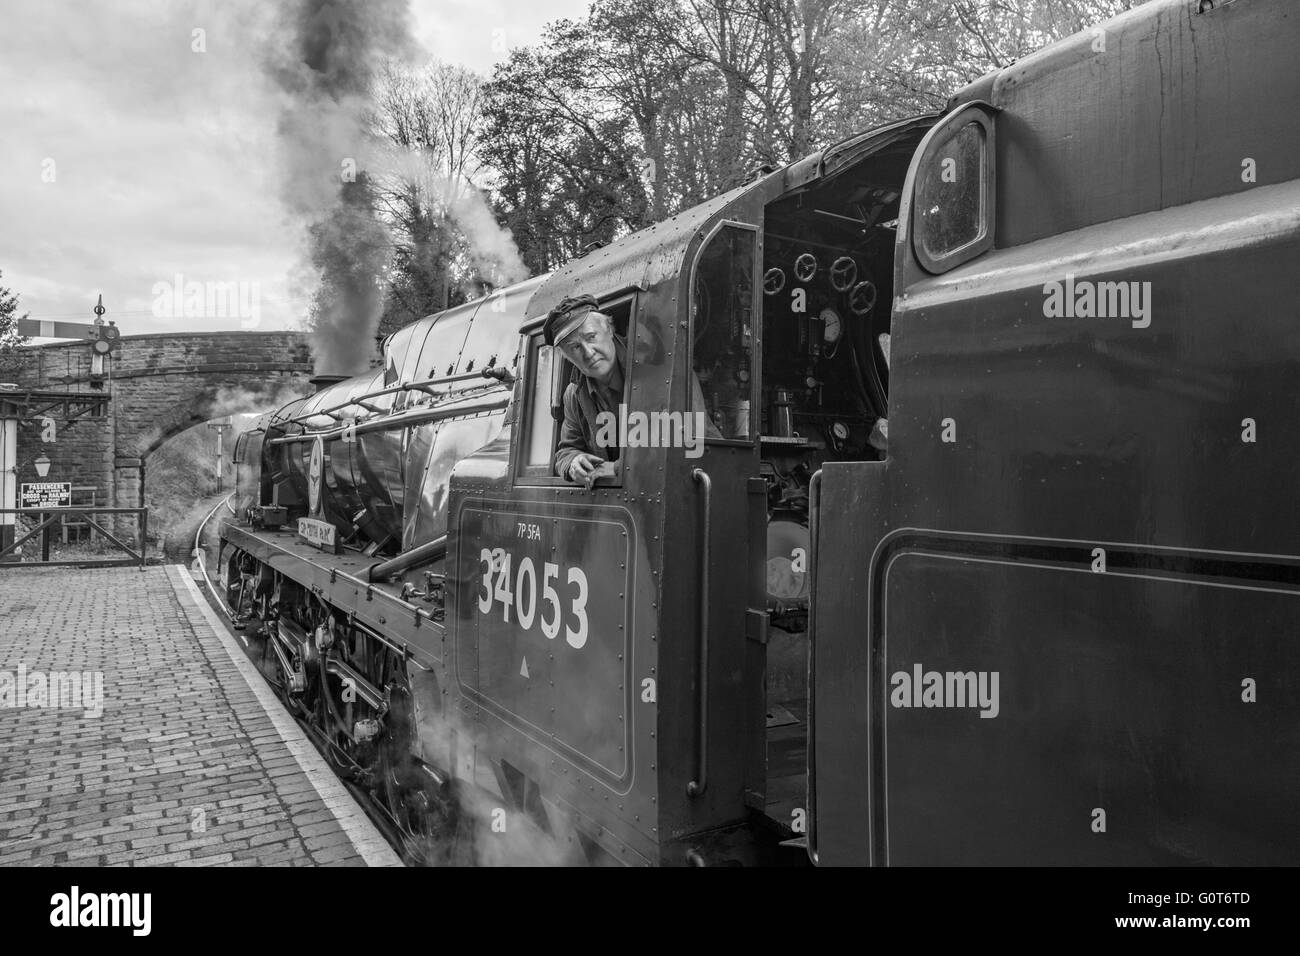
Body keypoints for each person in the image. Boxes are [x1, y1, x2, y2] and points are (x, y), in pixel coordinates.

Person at [544, 295, 626, 488]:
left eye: (591, 337)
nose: (589, 353)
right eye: (575, 347)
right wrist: (573, 463)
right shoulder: (574, 394)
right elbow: (566, 451)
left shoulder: (657, 367)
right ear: (568, 357)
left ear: (609, 330)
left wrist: (616, 468)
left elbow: (691, 442)